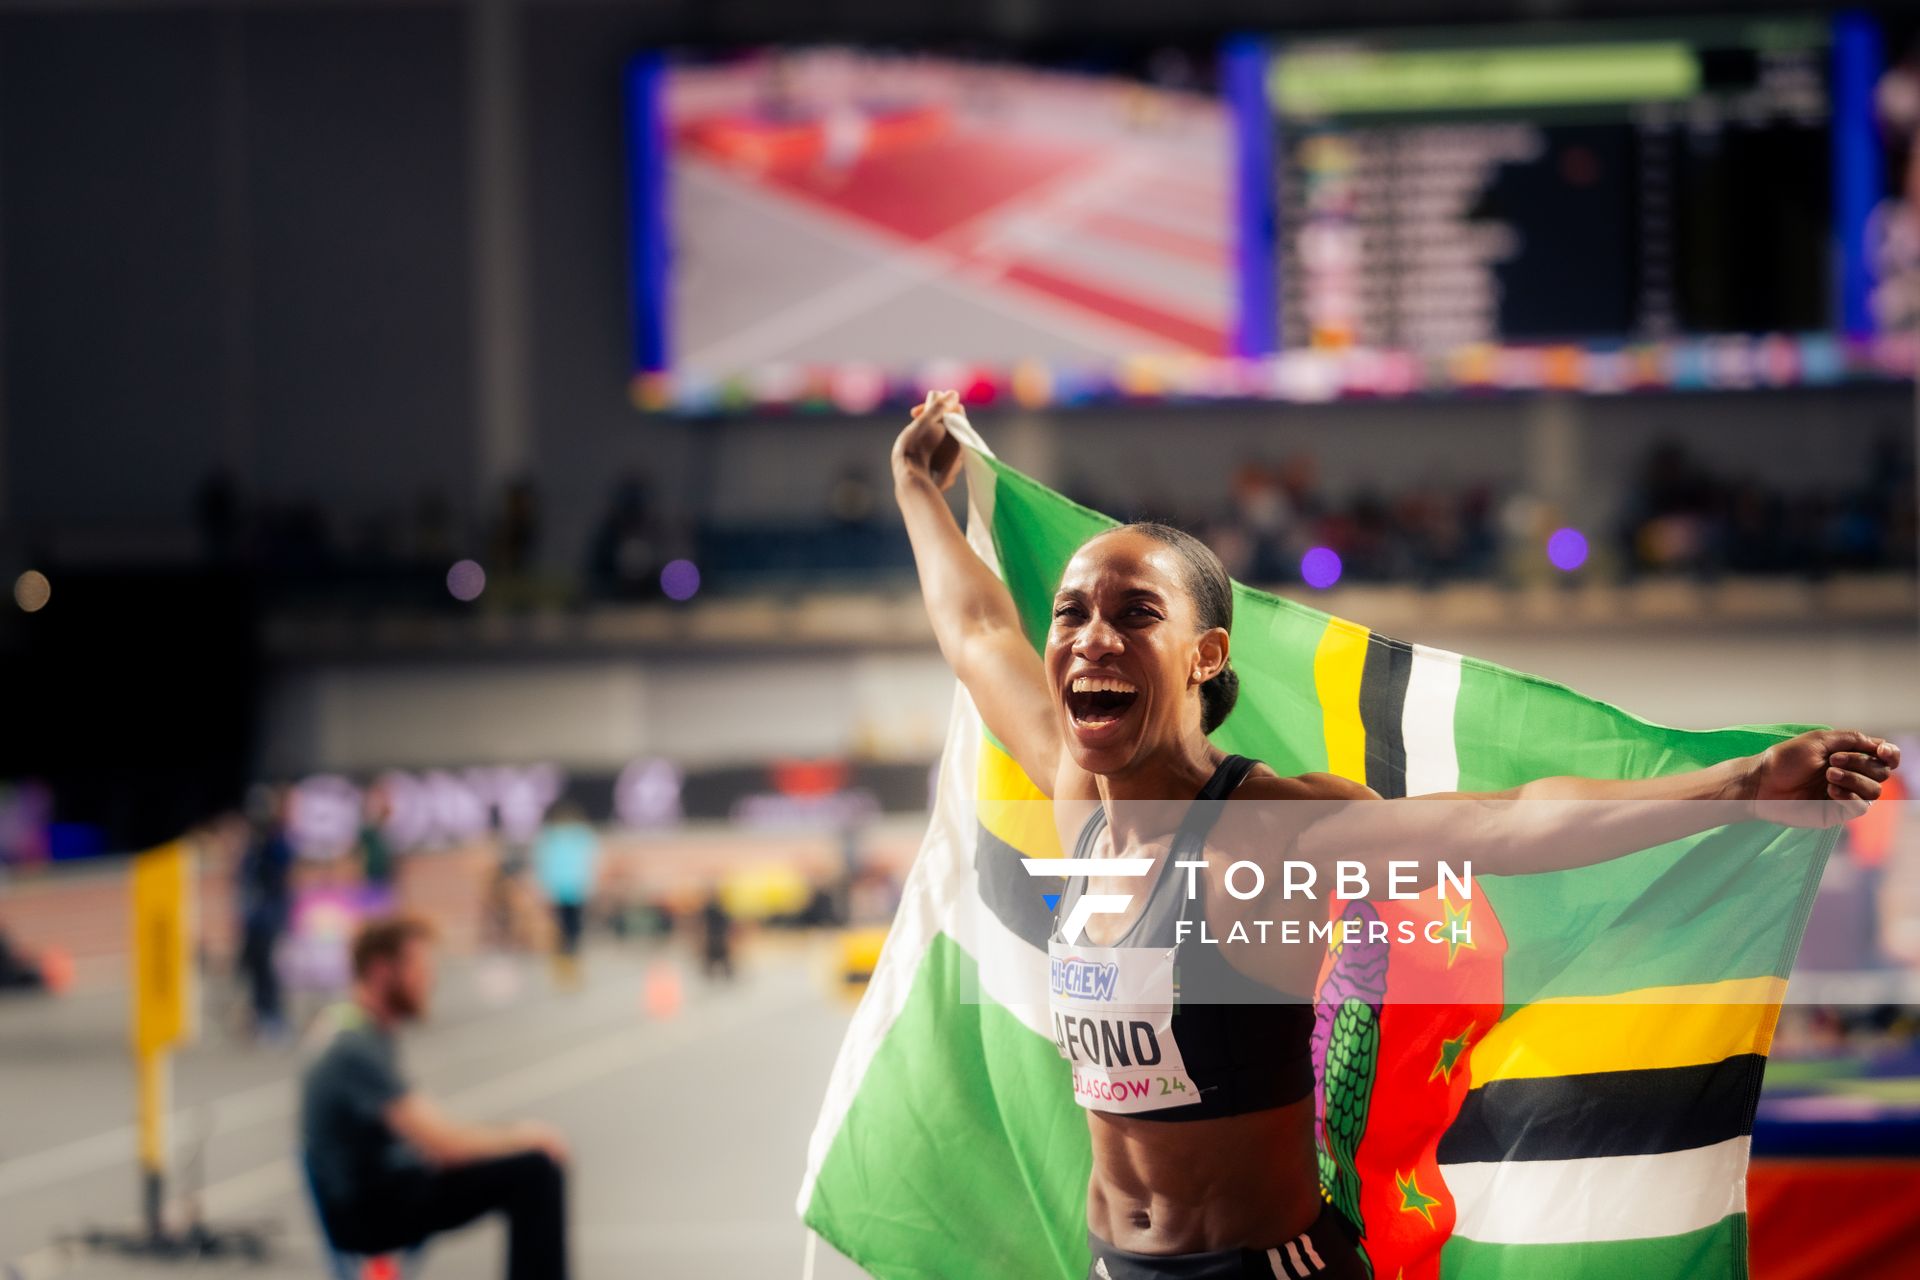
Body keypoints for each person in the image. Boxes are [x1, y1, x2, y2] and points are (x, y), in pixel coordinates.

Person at [891, 389, 1902, 1279]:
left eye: (1132, 611)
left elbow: (1506, 825)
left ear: (1204, 653)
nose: (1088, 635)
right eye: (1070, 612)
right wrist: (916, 493)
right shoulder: (1081, 805)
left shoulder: (1265, 831)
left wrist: (1742, 781)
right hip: (1117, 1261)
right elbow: (980, 635)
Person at [299, 914, 570, 1280]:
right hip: (368, 1211)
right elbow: (444, 1144)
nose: (431, 980)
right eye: (420, 968)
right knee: (537, 1170)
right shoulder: (355, 1047)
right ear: (383, 971)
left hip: (380, 1184)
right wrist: (527, 1135)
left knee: (516, 1155)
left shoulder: (347, 1023)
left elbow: (422, 1131)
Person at [531, 800, 600, 990]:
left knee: (571, 929)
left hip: (571, 890)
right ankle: (565, 964)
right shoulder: (552, 837)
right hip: (562, 890)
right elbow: (543, 865)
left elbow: (589, 863)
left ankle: (570, 963)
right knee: (565, 930)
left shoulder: (576, 836)